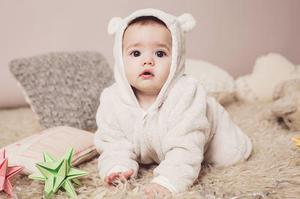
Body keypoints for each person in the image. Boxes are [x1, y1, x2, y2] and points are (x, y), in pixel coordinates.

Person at [94, 8, 252, 198]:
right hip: (155, 146)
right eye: (136, 53)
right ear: (120, 59)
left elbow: (186, 147)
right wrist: (117, 167)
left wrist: (168, 181)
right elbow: (113, 142)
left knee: (231, 155)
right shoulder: (112, 100)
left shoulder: (186, 94)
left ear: (176, 57)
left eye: (160, 54)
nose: (148, 61)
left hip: (212, 134)